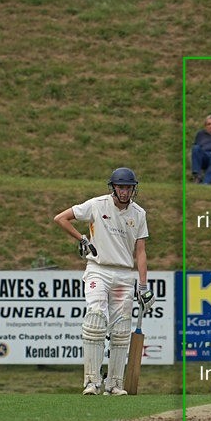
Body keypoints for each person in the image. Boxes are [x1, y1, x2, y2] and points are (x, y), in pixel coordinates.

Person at [53, 168, 155, 395]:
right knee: (96, 320)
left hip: (124, 275)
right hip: (98, 270)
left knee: (120, 329)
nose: (125, 191)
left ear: (133, 189)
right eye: (121, 187)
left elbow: (140, 252)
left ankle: (115, 384)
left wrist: (144, 285)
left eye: (128, 187)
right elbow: (61, 218)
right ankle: (91, 381)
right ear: (113, 188)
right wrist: (82, 238)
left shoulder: (139, 214)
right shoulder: (97, 205)